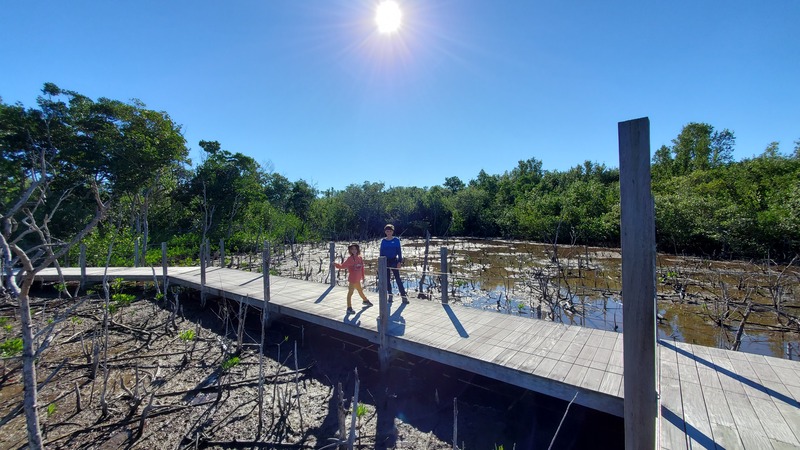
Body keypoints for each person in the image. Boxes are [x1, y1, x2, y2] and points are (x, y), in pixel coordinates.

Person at [335, 243, 372, 315]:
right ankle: (349, 307)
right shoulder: (350, 259)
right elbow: (343, 266)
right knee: (350, 293)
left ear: (357, 250)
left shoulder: (360, 258)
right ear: (350, 250)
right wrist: (336, 264)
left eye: (355, 249)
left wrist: (363, 277)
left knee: (360, 290)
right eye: (352, 249)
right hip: (352, 279)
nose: (354, 250)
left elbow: (362, 268)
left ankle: (365, 300)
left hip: (358, 279)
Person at [380, 224, 409, 304]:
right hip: (385, 262)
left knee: (398, 279)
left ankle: (404, 297)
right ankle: (390, 295)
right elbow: (381, 253)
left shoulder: (396, 240)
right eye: (387, 231)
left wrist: (399, 262)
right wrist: (381, 264)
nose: (388, 232)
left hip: (394, 261)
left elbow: (399, 252)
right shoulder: (383, 241)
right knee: (387, 280)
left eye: (390, 231)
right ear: (385, 232)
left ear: (392, 231)